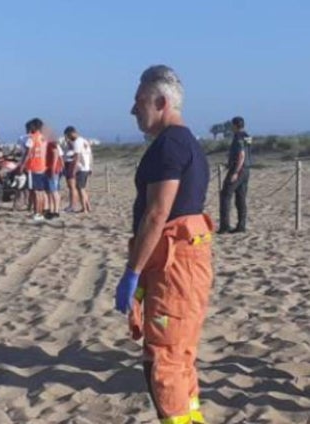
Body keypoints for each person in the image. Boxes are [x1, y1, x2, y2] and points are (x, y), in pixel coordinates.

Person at [114, 65, 213, 424]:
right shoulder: (186, 143)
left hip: (176, 268)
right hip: (181, 265)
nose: (133, 110)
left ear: (160, 101)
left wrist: (132, 271)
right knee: (179, 357)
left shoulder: (170, 145)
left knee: (164, 362)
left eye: (139, 101)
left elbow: (158, 214)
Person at [217, 116, 251, 234]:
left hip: (239, 169)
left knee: (225, 195)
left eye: (232, 125)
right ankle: (241, 226)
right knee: (241, 198)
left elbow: (241, 154)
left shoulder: (238, 137)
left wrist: (235, 172)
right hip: (246, 169)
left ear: (235, 125)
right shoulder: (247, 136)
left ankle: (225, 226)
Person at [19, 118, 48, 221]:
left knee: (35, 191)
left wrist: (22, 166)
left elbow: (27, 153)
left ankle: (37, 212)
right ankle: (40, 212)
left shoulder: (32, 138)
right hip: (42, 166)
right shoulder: (43, 138)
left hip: (33, 166)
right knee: (40, 191)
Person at [65, 126, 93, 213]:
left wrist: (73, 170)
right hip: (86, 167)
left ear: (71, 133)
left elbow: (76, 157)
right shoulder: (84, 141)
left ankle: (84, 208)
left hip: (81, 168)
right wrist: (91, 166)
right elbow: (90, 155)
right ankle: (88, 206)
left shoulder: (77, 142)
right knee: (83, 188)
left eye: (68, 136)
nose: (68, 138)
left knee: (80, 188)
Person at [45, 136, 64, 218]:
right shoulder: (48, 144)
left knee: (53, 191)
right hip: (50, 169)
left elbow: (56, 155)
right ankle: (52, 209)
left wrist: (53, 169)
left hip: (53, 170)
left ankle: (56, 211)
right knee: (50, 191)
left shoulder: (52, 145)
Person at [63, 136, 79, 212]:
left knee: (72, 186)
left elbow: (75, 155)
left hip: (70, 164)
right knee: (70, 187)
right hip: (67, 163)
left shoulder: (73, 145)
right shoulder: (68, 145)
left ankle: (73, 205)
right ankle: (72, 204)